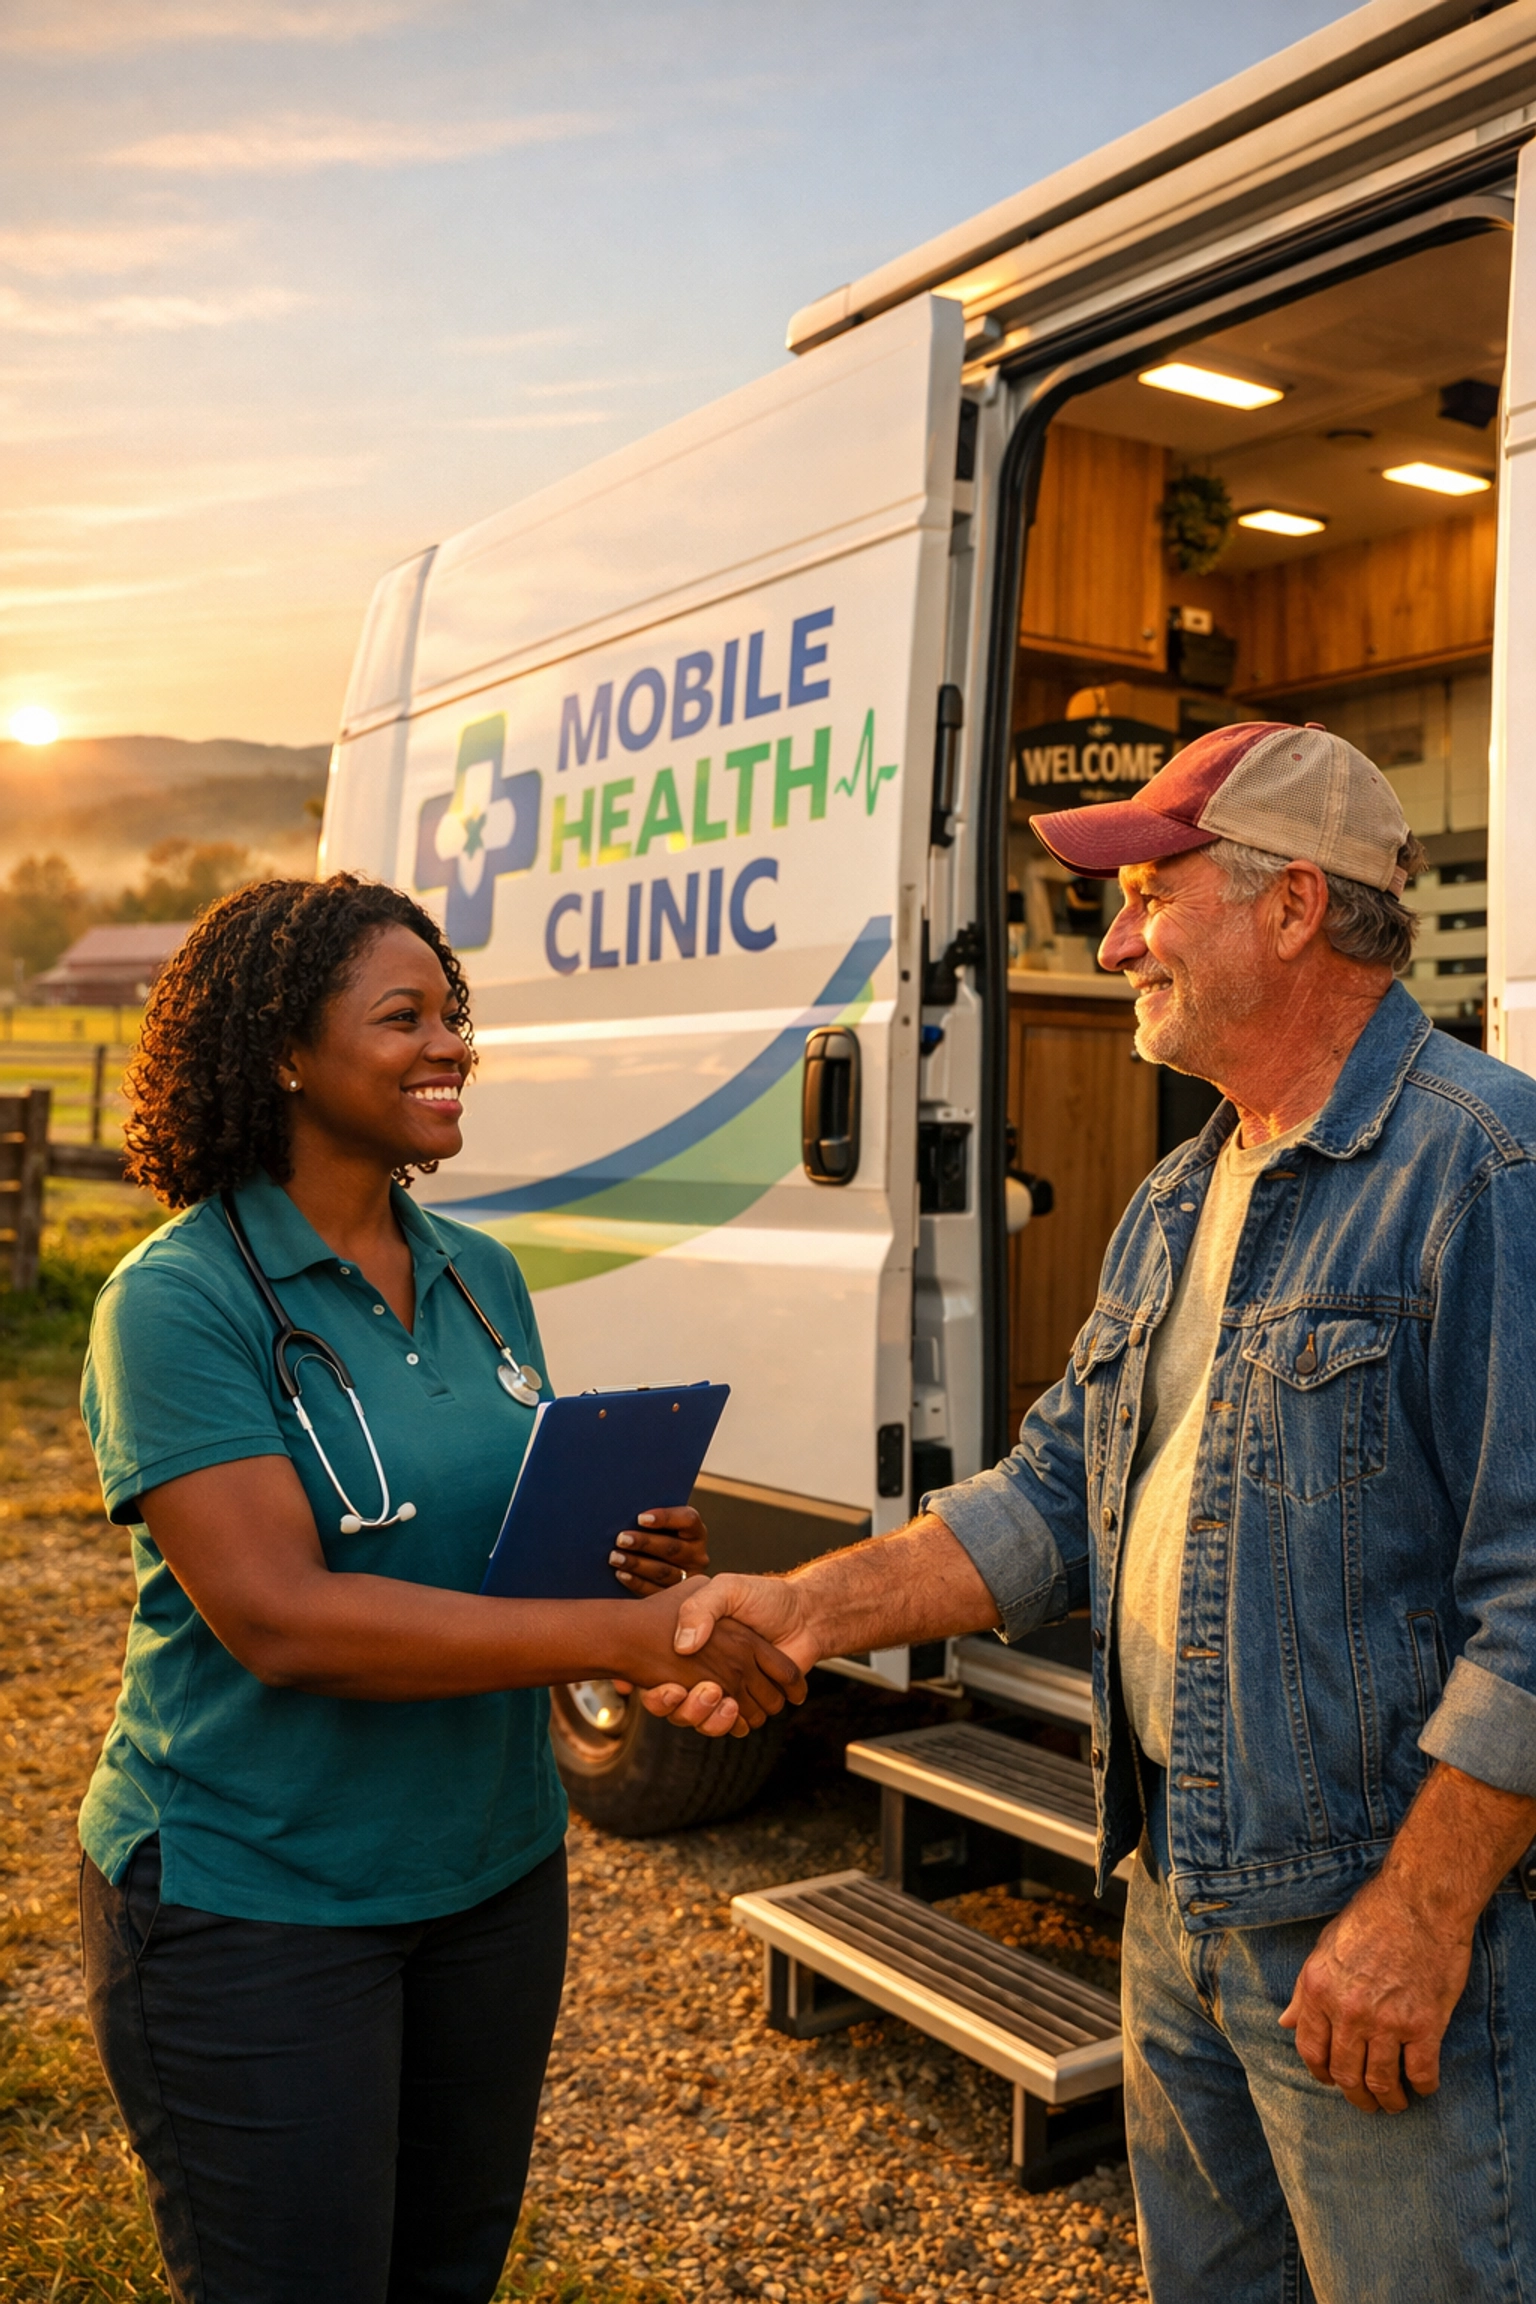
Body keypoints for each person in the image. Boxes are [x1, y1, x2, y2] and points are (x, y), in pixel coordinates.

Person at [651, 723, 1536, 2303]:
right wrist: (807, 1608)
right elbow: (1053, 1494)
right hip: (1173, 1890)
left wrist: (1419, 1911)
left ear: (1292, 908)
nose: (1114, 940)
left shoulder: (1486, 1170)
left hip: (1366, 1928)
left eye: (1150, 894)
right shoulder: (1182, 1192)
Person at [76, 874, 804, 2304]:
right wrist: (631, 1636)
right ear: (285, 1048)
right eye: (404, 1017)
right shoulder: (179, 1301)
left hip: (491, 1878)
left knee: (448, 2273)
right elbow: (282, 1617)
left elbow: (487, 1555)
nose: (450, 1045)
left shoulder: (481, 1274)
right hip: (256, 1901)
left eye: (454, 1015)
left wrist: (630, 1564)